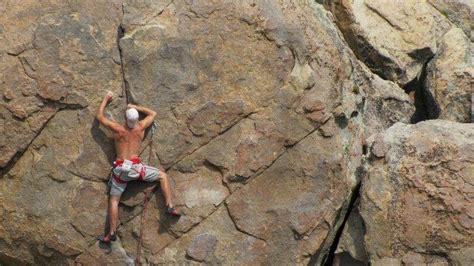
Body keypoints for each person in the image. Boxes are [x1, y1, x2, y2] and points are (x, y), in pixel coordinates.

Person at [96, 91, 180, 244]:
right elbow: (153, 113)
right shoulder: (141, 127)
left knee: (114, 200)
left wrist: (106, 99)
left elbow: (100, 117)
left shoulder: (118, 129)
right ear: (135, 120)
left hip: (121, 171)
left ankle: (112, 233)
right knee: (163, 176)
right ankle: (169, 206)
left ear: (125, 118)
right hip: (136, 170)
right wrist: (136, 107)